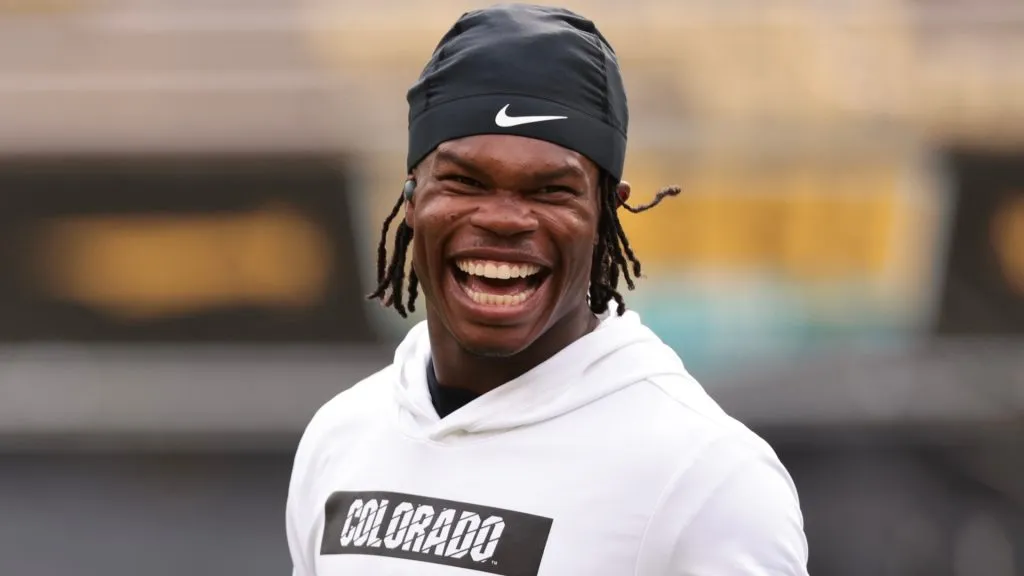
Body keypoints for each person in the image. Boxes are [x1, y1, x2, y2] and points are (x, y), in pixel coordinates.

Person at [286, 4, 809, 575]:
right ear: (412, 199)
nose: (506, 219)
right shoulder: (345, 435)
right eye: (465, 181)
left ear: (607, 214)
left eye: (550, 191)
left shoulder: (703, 476)